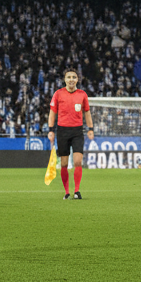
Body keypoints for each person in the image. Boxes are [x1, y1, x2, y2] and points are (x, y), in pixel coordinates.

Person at [47, 70, 94, 199]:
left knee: (78, 161)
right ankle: (67, 192)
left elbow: (87, 113)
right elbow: (52, 113)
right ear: (65, 80)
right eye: (69, 77)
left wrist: (91, 128)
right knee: (64, 164)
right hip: (62, 131)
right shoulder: (58, 94)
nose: (71, 79)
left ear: (77, 80)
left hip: (77, 131)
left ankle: (77, 191)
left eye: (74, 77)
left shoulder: (82, 95)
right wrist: (51, 130)